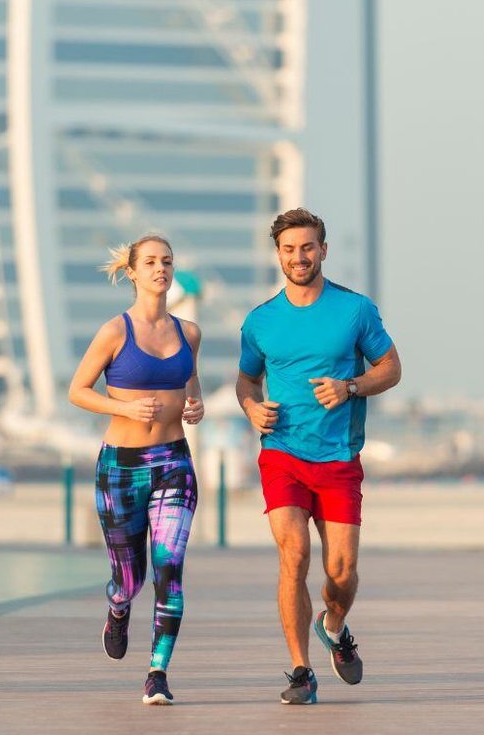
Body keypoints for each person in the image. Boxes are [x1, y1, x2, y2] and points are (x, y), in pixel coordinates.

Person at [236, 208, 402, 704]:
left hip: (338, 458)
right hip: (282, 454)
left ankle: (334, 625)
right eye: (289, 249)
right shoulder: (260, 320)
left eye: (307, 247)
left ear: (323, 251)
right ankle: (299, 672)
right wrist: (250, 407)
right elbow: (246, 378)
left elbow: (391, 368)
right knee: (294, 557)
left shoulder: (355, 310)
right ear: (278, 255)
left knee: (342, 572)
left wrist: (351, 386)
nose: (298, 257)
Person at [68, 234, 204, 706]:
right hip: (121, 468)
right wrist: (123, 408)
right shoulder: (114, 332)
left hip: (174, 464)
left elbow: (189, 380)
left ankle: (157, 673)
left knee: (170, 570)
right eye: (150, 262)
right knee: (132, 578)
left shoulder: (188, 333)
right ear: (132, 272)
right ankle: (118, 607)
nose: (160, 269)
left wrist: (196, 403)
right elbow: (78, 390)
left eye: (166, 261)